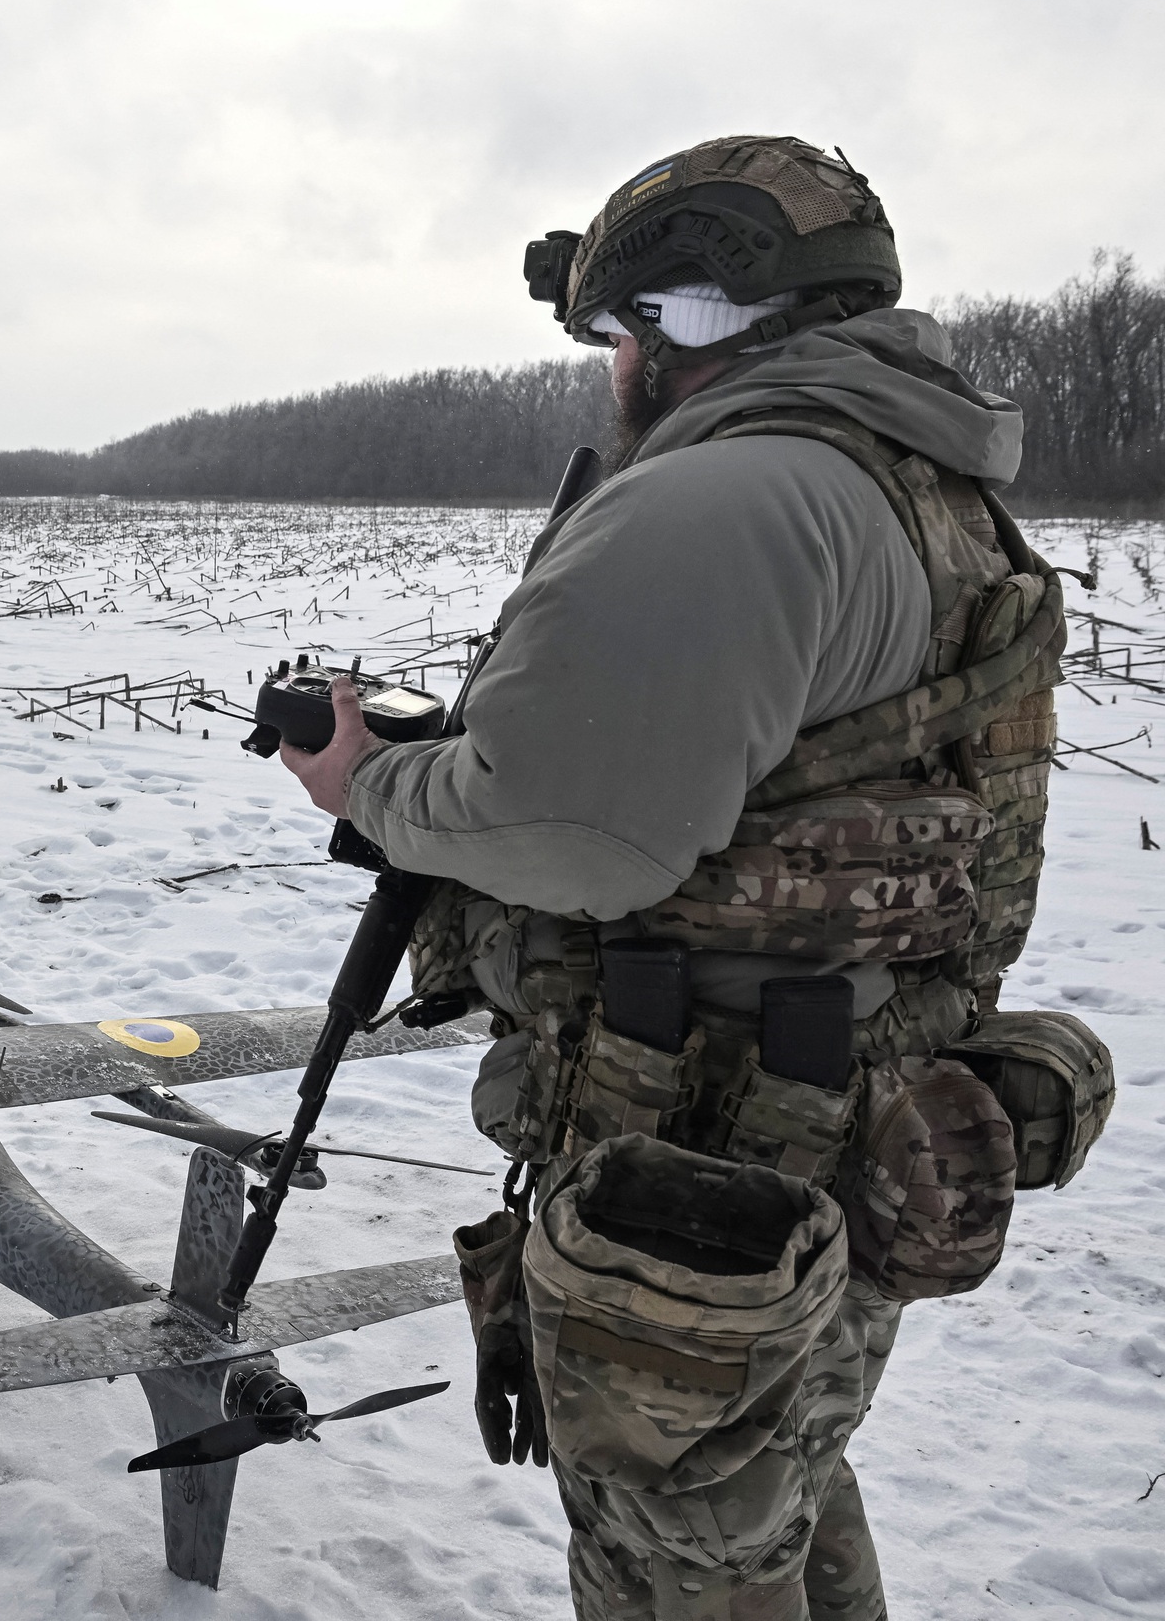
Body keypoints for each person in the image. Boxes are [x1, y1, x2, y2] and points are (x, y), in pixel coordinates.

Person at [281, 138, 1079, 1620]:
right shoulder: (926, 491)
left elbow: (581, 835)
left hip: (702, 1167)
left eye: (612, 333)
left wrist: (371, 787)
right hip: (843, 1133)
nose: (608, 371)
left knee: (674, 1564)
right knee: (763, 1506)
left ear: (680, 323)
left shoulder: (735, 497)